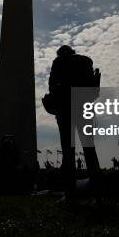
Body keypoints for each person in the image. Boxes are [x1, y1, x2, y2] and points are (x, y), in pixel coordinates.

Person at [47, 45, 102, 203]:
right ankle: (97, 195)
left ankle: (70, 195)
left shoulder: (58, 62)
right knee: (90, 152)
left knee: (68, 153)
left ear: (60, 53)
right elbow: (94, 88)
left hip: (65, 110)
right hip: (85, 109)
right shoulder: (86, 62)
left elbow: (52, 87)